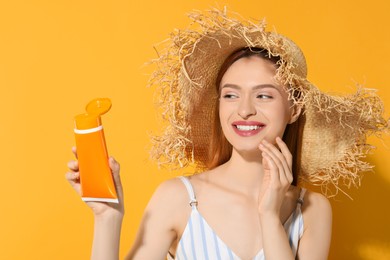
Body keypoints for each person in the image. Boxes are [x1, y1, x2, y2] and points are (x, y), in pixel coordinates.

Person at [66, 8, 388, 260]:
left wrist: (269, 217)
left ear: (294, 109)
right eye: (231, 95)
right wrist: (107, 218)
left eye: (264, 95)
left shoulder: (313, 209)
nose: (244, 110)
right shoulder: (178, 198)